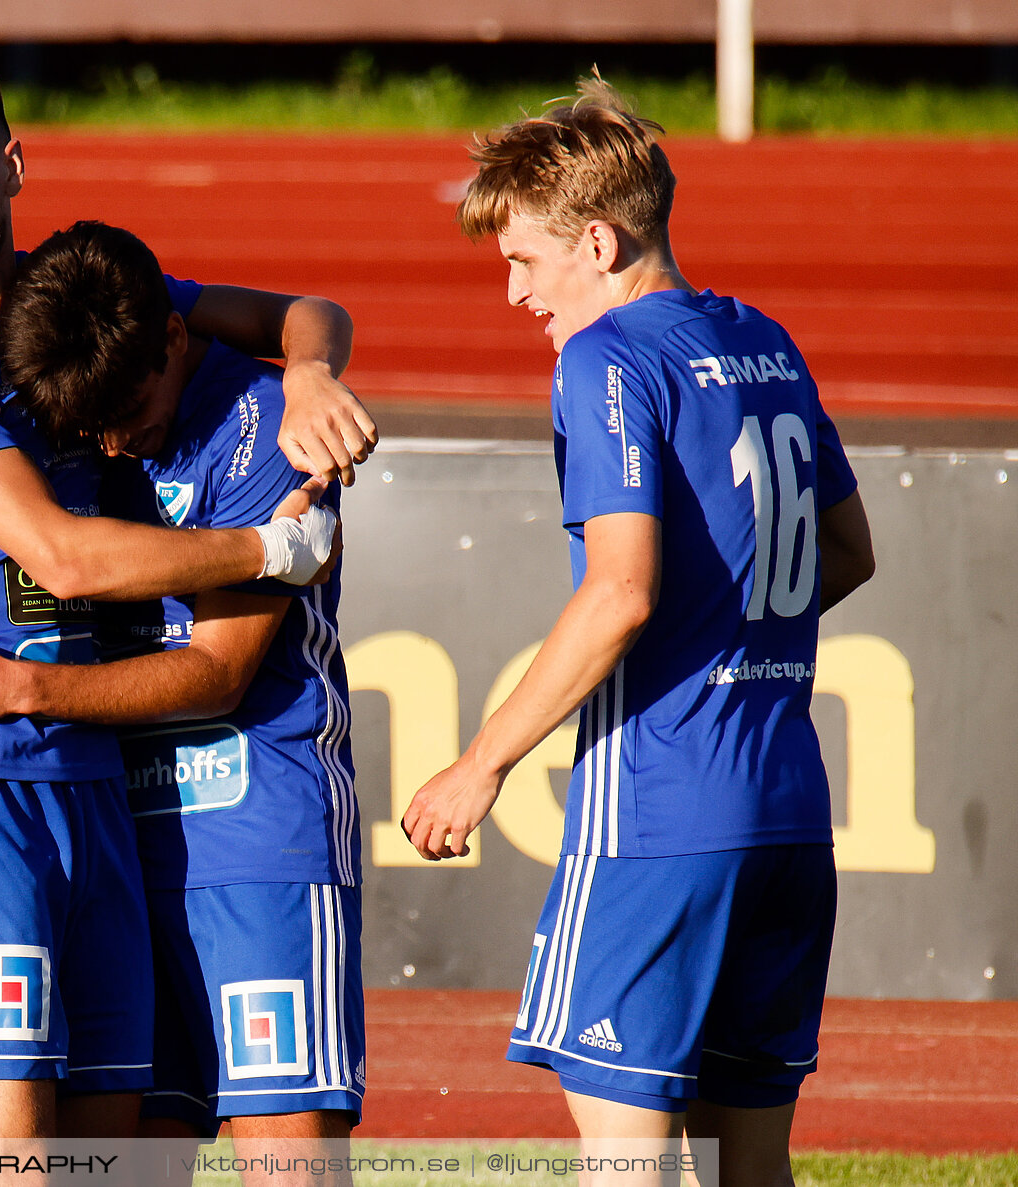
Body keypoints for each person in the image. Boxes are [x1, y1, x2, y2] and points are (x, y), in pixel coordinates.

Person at [0, 54, 372, 1146]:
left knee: (114, 1160)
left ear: (12, 165)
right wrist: (270, 548)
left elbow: (302, 309)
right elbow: (65, 558)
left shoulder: (81, 301)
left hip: (95, 793)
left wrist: (311, 371)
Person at [399, 78, 876, 1187]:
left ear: (600, 242)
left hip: (660, 810)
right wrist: (732, 631)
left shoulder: (606, 357)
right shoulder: (761, 336)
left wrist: (482, 764)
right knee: (750, 1162)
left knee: (626, 1158)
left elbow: (618, 593)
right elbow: (849, 553)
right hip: (789, 812)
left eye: (524, 260)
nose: (515, 292)